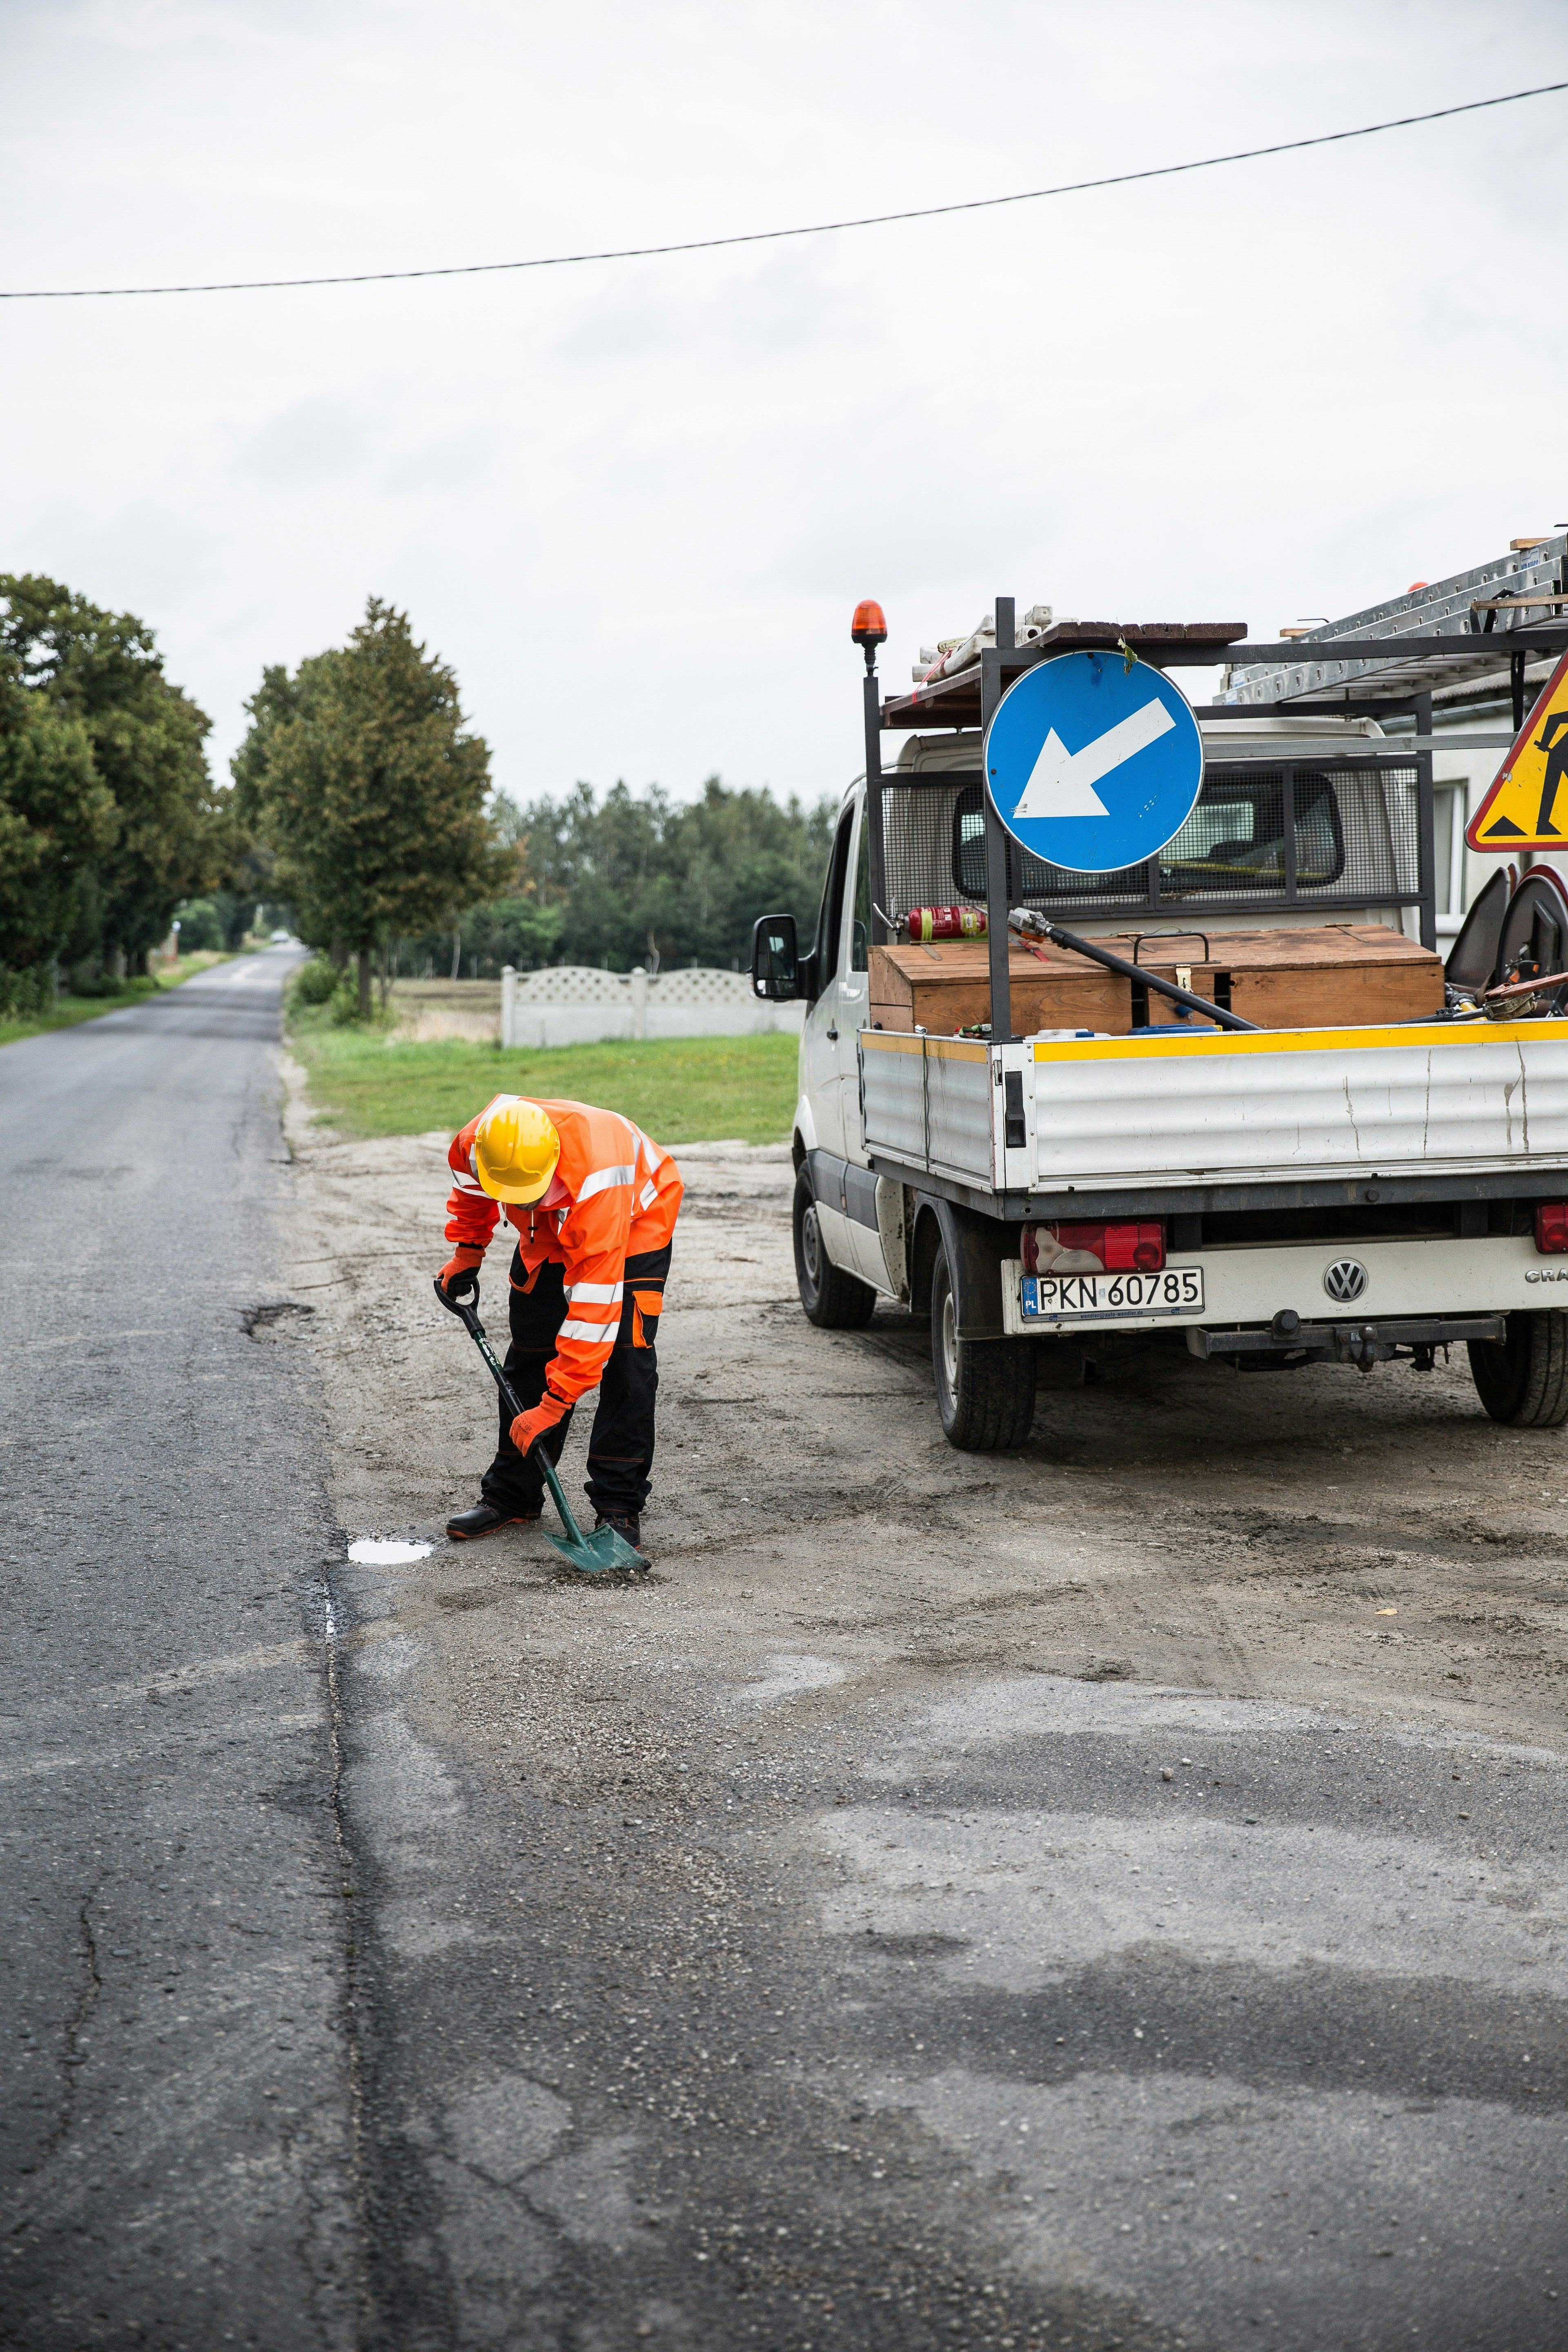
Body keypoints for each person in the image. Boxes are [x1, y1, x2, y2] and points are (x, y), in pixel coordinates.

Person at [437, 1094, 682, 1554]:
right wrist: (468, 1251)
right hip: (546, 1223)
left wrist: (555, 1403)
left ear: (550, 1163)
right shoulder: (477, 1144)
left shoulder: (600, 1175)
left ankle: (618, 1506)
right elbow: (472, 1191)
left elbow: (594, 1310)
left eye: (528, 1191)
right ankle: (513, 1495)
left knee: (625, 1357)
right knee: (532, 1348)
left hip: (633, 1219)